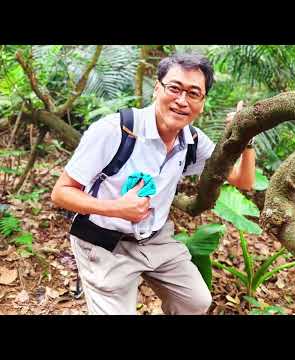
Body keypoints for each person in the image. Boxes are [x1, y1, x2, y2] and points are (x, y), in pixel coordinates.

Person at [51, 53, 256, 315]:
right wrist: (116, 208)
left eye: (193, 93)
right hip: (104, 244)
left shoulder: (193, 140)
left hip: (156, 239)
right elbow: (61, 193)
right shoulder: (115, 131)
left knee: (195, 302)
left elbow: (244, 181)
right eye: (174, 88)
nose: (182, 100)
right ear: (157, 88)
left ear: (202, 103)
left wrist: (246, 136)